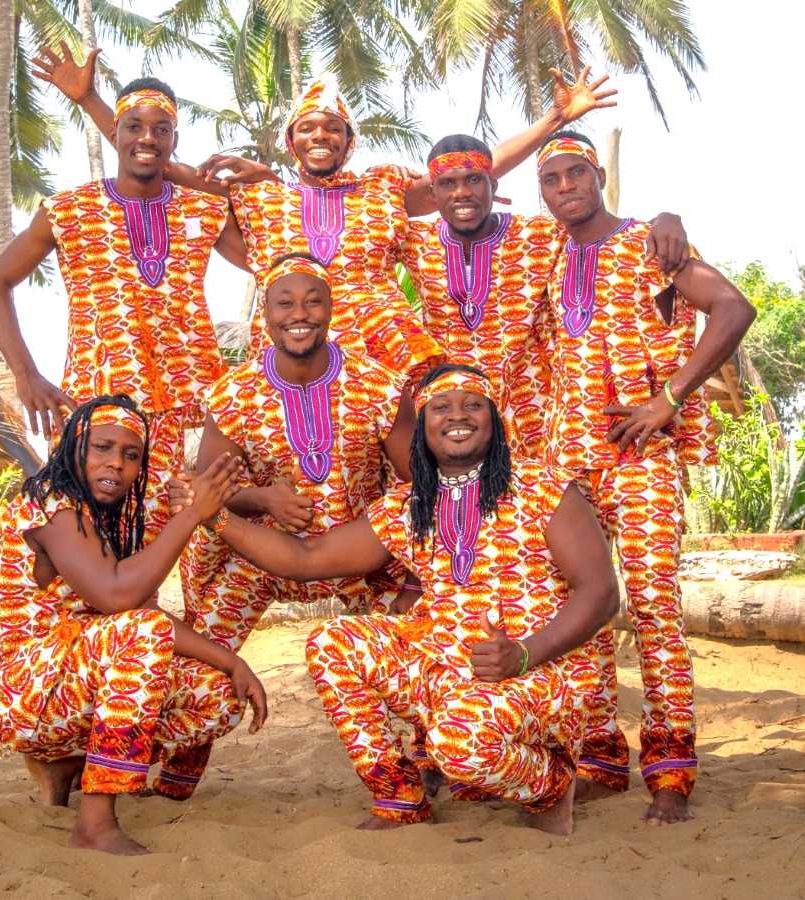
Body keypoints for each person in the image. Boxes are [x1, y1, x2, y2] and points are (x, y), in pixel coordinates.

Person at [179, 365, 621, 834]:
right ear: (423, 425)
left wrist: (526, 652)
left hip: (543, 671)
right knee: (333, 642)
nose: (458, 417)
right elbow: (306, 558)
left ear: (494, 419)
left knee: (460, 744)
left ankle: (552, 785)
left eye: (473, 404)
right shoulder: (410, 505)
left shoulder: (543, 487)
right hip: (448, 668)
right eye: (440, 408)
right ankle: (399, 795)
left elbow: (600, 592)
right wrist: (216, 520)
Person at [33, 48, 617, 381]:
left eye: (333, 128)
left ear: (348, 141)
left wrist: (554, 121)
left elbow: (469, 173)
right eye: (308, 128)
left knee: (432, 408)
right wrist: (87, 98)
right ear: (291, 141)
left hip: (383, 342)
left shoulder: (383, 187)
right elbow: (152, 155)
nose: (321, 136)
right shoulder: (257, 198)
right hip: (296, 342)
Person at [536, 131, 756, 824]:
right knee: (585, 605)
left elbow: (734, 307)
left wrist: (671, 397)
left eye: (577, 173)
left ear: (599, 176)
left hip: (641, 457)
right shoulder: (542, 256)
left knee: (656, 606)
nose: (566, 186)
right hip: (567, 462)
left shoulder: (648, 246)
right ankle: (601, 757)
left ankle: (669, 767)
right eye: (552, 179)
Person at [0, 395, 268, 855]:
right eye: (101, 447)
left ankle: (73, 763)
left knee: (218, 694)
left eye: (131, 455)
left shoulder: (112, 519)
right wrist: (191, 514)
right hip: (18, 690)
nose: (116, 463)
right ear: (73, 449)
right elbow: (117, 598)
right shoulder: (49, 504)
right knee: (140, 634)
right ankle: (95, 822)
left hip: (74, 672)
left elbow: (140, 611)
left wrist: (231, 662)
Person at [0, 76, 258, 545]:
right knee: (94, 537)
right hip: (100, 405)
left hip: (187, 407)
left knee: (198, 535)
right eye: (133, 126)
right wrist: (26, 375)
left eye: (162, 129)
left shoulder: (204, 211)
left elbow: (272, 265)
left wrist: (244, 181)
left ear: (175, 139)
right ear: (117, 134)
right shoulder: (69, 210)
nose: (147, 138)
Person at [177, 252, 417, 652]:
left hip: (364, 558)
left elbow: (424, 487)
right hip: (262, 559)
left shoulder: (382, 388)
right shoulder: (232, 396)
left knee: (426, 651)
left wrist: (413, 583)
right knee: (202, 666)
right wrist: (263, 498)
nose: (299, 314)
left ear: (330, 307)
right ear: (266, 314)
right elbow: (208, 494)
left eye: (313, 300)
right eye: (284, 303)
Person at [399, 133, 691, 460]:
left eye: (474, 180)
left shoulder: (540, 233)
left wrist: (665, 219)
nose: (462, 192)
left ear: (494, 188)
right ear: (432, 193)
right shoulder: (412, 240)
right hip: (452, 421)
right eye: (447, 183)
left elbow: (601, 226)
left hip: (535, 422)